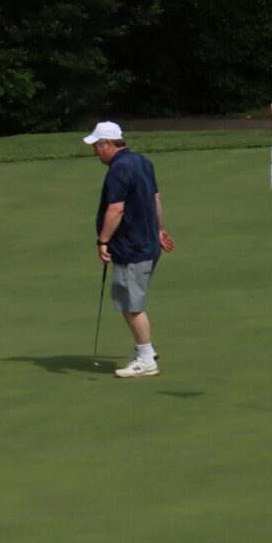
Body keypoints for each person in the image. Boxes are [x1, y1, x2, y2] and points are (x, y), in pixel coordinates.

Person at [84, 121, 175, 378]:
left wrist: (103, 241)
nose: (94, 152)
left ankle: (146, 360)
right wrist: (159, 229)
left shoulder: (118, 168)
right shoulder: (142, 161)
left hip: (131, 246)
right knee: (129, 300)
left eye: (96, 146)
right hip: (147, 242)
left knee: (131, 304)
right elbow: (155, 199)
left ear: (108, 144)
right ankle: (145, 350)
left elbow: (116, 209)